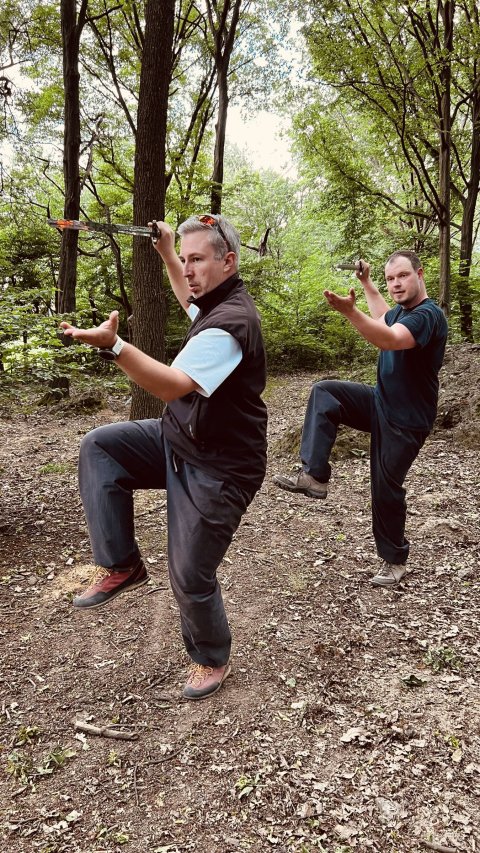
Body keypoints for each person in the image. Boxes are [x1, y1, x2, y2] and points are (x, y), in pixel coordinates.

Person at [60, 214, 267, 700]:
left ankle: (211, 657)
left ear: (228, 262)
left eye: (198, 260)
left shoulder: (232, 324)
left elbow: (172, 384)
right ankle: (122, 564)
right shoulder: (214, 303)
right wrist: (168, 251)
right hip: (180, 438)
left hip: (221, 466)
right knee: (101, 447)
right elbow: (185, 294)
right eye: (187, 260)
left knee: (190, 573)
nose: (189, 270)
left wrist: (114, 346)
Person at [273, 251, 448, 587]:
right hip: (381, 402)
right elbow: (384, 318)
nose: (396, 284)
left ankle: (395, 561)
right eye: (390, 278)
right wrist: (367, 282)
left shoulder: (427, 316)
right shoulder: (403, 311)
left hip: (406, 419)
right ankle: (314, 475)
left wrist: (350, 312)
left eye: (402, 276)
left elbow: (389, 338)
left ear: (420, 274)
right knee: (326, 392)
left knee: (385, 487)